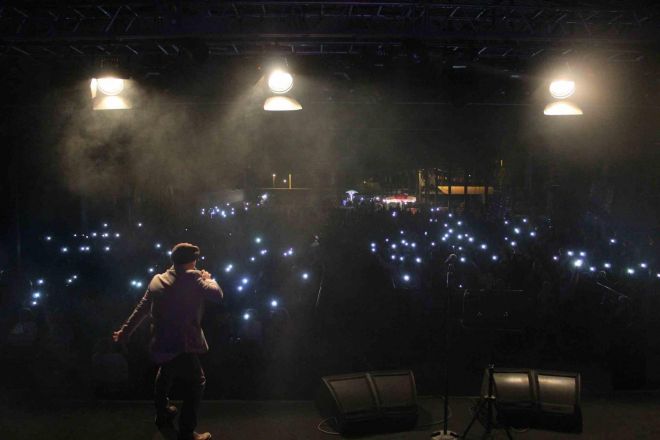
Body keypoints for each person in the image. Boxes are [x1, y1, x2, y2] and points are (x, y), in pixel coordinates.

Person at [113, 243, 223, 440]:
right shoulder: (194, 277)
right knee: (197, 382)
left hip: (160, 341)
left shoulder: (157, 279)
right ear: (192, 261)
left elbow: (142, 308)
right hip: (183, 343)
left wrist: (125, 332)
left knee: (165, 372)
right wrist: (208, 278)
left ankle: (162, 413)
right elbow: (217, 295)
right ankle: (187, 432)